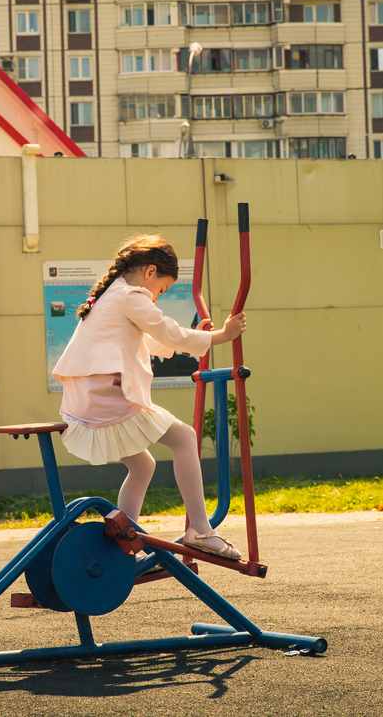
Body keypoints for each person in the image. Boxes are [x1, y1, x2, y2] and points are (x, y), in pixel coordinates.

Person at [53, 234, 246, 560]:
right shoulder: (131, 296)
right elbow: (166, 332)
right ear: (150, 272)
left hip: (91, 399)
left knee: (143, 465)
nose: (158, 296)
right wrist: (221, 336)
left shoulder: (114, 294)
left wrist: (199, 337)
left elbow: (151, 340)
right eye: (162, 289)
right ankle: (201, 530)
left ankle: (122, 543)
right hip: (107, 395)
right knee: (185, 438)